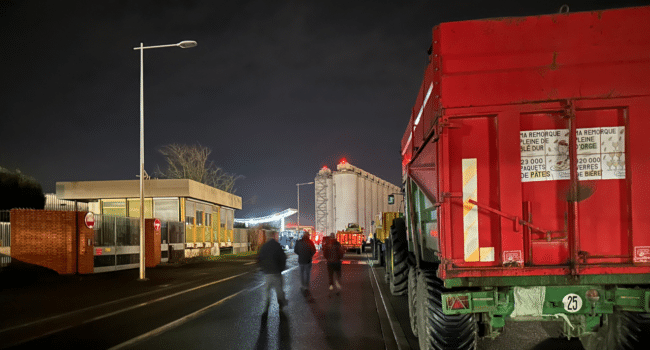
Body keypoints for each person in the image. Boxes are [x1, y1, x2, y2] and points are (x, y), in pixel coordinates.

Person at [257, 230, 288, 312]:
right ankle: (281, 304)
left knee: (267, 290)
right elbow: (283, 258)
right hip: (276, 272)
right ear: (274, 236)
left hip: (267, 273)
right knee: (279, 290)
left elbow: (259, 258)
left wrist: (263, 268)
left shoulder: (264, 246)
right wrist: (281, 268)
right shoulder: (277, 246)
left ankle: (266, 304)